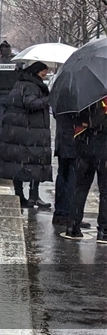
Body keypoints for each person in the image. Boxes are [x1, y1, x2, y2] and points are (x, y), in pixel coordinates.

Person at [0, 61, 53, 209]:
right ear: (37, 72)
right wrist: (49, 100)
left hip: (20, 131)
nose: (45, 76)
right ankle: (32, 196)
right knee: (35, 163)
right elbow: (31, 103)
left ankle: (21, 195)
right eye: (44, 73)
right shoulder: (32, 86)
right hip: (30, 131)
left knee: (18, 164)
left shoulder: (20, 83)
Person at [61, 98, 107, 243]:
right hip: (104, 149)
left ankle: (73, 227)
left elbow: (74, 118)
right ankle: (104, 231)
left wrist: (87, 122)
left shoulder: (83, 97)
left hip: (84, 148)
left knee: (80, 188)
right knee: (105, 191)